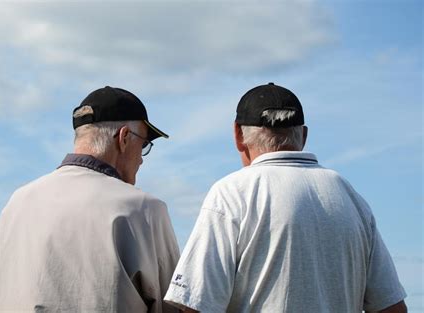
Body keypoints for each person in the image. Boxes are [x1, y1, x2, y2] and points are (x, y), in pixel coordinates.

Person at [164, 83, 407, 313]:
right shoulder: (351, 197)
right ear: (303, 135)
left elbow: (195, 303)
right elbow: (391, 307)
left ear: (238, 134)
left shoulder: (231, 193)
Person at [0, 86, 180, 312]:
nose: (141, 159)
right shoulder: (144, 210)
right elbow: (175, 303)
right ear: (124, 138)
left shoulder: (16, 203)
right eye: (144, 145)